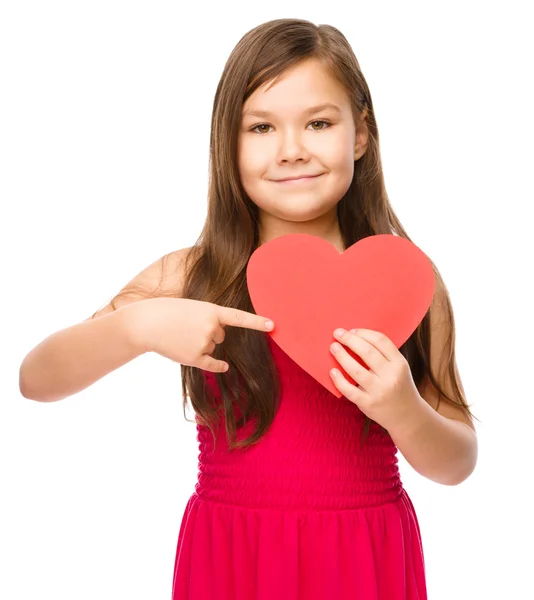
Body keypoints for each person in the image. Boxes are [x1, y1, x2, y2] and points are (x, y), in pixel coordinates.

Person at [19, 18, 479, 600]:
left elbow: (457, 461)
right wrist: (137, 327)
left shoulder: (408, 284)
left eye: (318, 122)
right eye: (261, 127)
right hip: (232, 557)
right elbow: (36, 379)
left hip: (364, 557)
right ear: (227, 143)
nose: (291, 149)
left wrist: (403, 409)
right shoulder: (190, 276)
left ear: (360, 134)